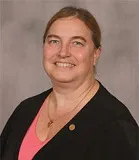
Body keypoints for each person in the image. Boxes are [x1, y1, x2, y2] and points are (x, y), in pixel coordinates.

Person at [0, 6, 139, 160]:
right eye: (54, 41)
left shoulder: (115, 126)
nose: (63, 52)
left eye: (77, 43)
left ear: (95, 54)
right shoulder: (25, 111)